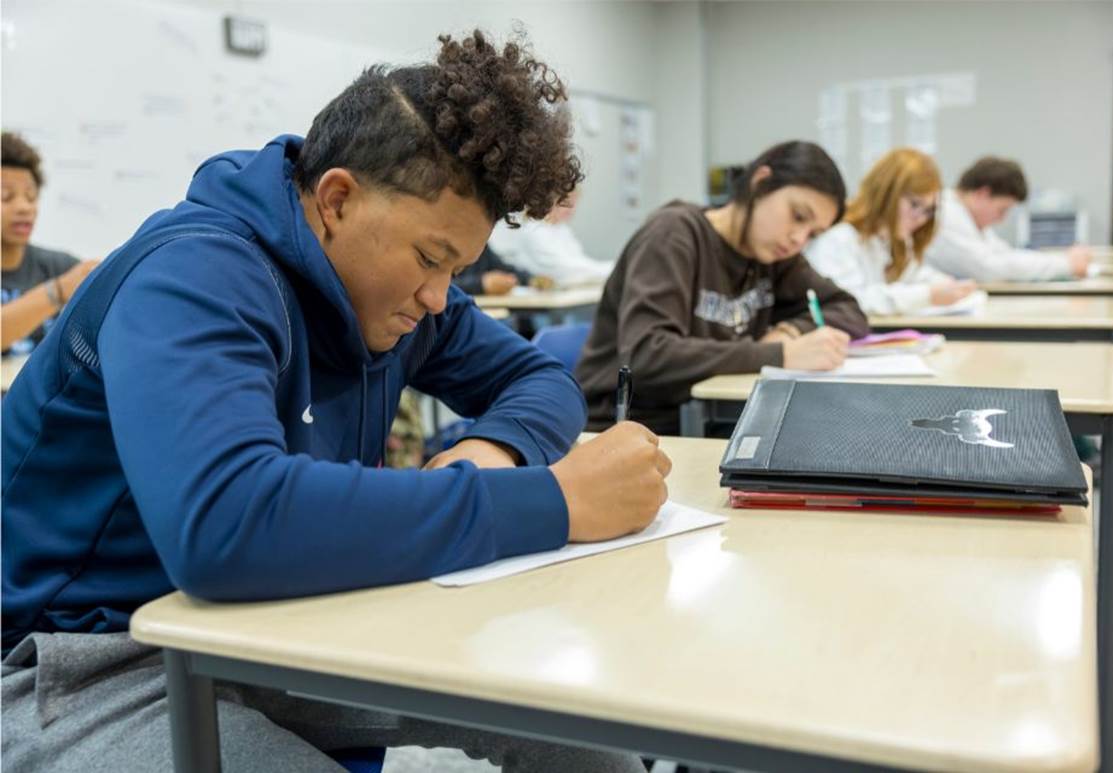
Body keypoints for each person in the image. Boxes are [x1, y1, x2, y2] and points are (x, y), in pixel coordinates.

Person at [1, 31, 669, 773]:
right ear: (338, 199)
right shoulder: (194, 275)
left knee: (575, 717)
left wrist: (495, 453)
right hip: (83, 660)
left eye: (458, 267)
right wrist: (552, 501)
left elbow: (543, 381)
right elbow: (227, 523)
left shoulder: (396, 295)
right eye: (429, 258)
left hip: (283, 613)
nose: (439, 296)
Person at [575, 141, 870, 435]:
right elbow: (647, 355)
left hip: (709, 421)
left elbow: (849, 310)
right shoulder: (674, 235)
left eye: (812, 234)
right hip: (626, 429)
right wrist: (780, 354)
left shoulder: (775, 255)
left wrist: (792, 330)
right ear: (760, 183)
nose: (798, 239)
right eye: (798, 216)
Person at [805, 147, 976, 314]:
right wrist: (927, 295)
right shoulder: (837, 239)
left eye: (928, 211)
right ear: (886, 194)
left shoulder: (892, 240)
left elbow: (914, 275)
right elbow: (849, 301)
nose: (921, 219)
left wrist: (948, 286)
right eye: (915, 204)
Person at [1, 132, 99, 353]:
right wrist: (57, 292)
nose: (24, 207)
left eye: (31, 196)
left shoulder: (60, 266)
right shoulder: (62, 282)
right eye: (6, 197)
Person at [924, 156, 1091, 281]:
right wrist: (1066, 265)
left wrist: (1063, 262)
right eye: (1002, 209)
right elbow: (989, 268)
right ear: (983, 194)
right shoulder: (945, 215)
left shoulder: (967, 217)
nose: (1001, 219)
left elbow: (1005, 254)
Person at [489, 191, 613, 287]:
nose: (571, 209)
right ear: (549, 201)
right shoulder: (534, 229)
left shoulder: (561, 229)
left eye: (574, 202)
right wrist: (612, 269)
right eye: (566, 202)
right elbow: (565, 269)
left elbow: (580, 262)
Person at [452, 243, 553, 296]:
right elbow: (446, 285)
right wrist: (481, 284)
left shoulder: (479, 245)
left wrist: (531, 279)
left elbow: (504, 268)